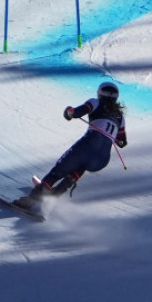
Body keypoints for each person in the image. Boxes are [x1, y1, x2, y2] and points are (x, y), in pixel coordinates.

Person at [15, 81, 127, 210]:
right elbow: (122, 142)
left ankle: (31, 200)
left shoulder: (95, 102)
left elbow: (76, 113)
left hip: (88, 145)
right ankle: (56, 193)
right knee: (82, 166)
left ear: (100, 93)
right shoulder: (120, 117)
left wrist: (69, 111)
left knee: (57, 171)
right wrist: (118, 140)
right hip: (102, 159)